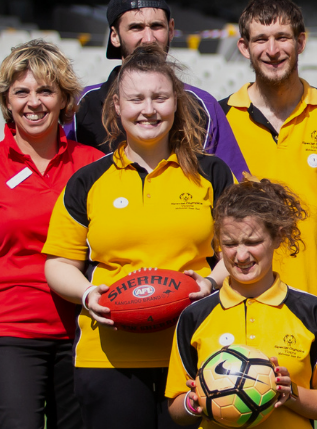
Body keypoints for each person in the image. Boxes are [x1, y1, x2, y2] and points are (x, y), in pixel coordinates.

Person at [43, 46, 236, 429]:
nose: (148, 109)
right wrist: (86, 294)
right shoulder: (88, 180)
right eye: (136, 99)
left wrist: (210, 281)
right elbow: (59, 262)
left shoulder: (212, 174)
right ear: (117, 105)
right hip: (108, 358)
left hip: (196, 353)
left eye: (160, 98)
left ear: (176, 104)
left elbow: (241, 252)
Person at [0, 39, 102, 429]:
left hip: (84, 331)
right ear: (7, 100)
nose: (34, 102)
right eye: (22, 92)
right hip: (8, 334)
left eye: (46, 91)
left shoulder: (95, 165)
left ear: (64, 98)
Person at [167, 179, 317, 428]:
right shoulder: (196, 315)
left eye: (253, 242)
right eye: (230, 244)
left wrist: (291, 394)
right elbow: (175, 408)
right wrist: (194, 402)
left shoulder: (313, 311)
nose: (241, 255)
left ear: (278, 237)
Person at [220, 0, 317, 306]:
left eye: (282, 38)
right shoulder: (219, 121)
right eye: (261, 39)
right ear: (244, 47)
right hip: (235, 302)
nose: (272, 50)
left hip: (314, 303)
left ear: (301, 43)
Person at [68, 0, 249, 177]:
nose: (148, 38)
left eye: (156, 26)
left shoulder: (203, 106)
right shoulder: (80, 106)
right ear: (114, 36)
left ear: (171, 30)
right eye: (136, 27)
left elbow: (234, 192)